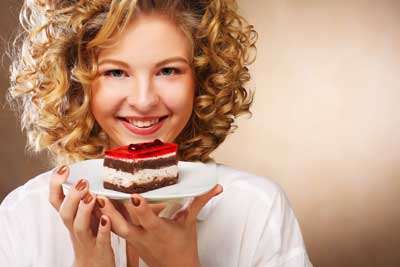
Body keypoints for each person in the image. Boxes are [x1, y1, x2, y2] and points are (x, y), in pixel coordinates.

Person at [1, 0, 313, 266]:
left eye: (168, 70)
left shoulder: (257, 209)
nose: (144, 100)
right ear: (76, 83)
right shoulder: (21, 217)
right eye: (115, 72)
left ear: (202, 77)